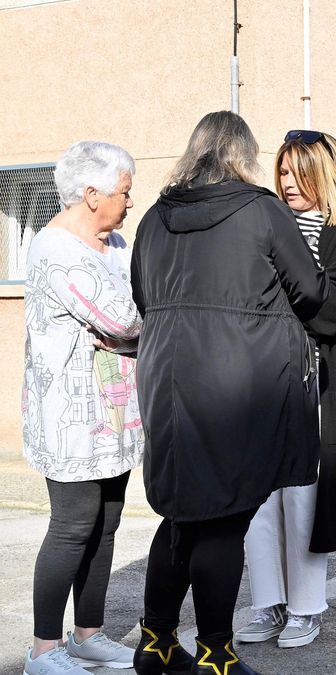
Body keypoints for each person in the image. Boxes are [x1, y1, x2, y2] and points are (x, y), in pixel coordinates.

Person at [130, 111, 327, 675]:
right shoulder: (263, 210)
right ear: (244, 155)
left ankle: (157, 642)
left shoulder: (153, 218)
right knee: (225, 517)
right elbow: (310, 292)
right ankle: (216, 652)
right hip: (240, 379)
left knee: (179, 515)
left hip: (166, 377)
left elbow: (142, 295)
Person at [235, 130, 336, 650]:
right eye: (283, 172)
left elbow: (335, 310)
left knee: (302, 499)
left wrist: (276, 316)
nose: (287, 183)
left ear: (324, 173)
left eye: (298, 172)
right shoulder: (268, 225)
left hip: (316, 385)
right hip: (262, 384)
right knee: (259, 500)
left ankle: (305, 608)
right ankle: (267, 604)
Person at [22, 141, 141, 675]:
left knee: (107, 522)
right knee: (73, 525)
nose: (130, 202)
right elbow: (126, 319)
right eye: (124, 192)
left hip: (115, 410)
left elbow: (137, 309)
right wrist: (130, 332)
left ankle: (89, 634)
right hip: (70, 416)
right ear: (91, 195)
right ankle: (43, 650)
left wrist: (126, 333)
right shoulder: (56, 249)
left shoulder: (112, 242)